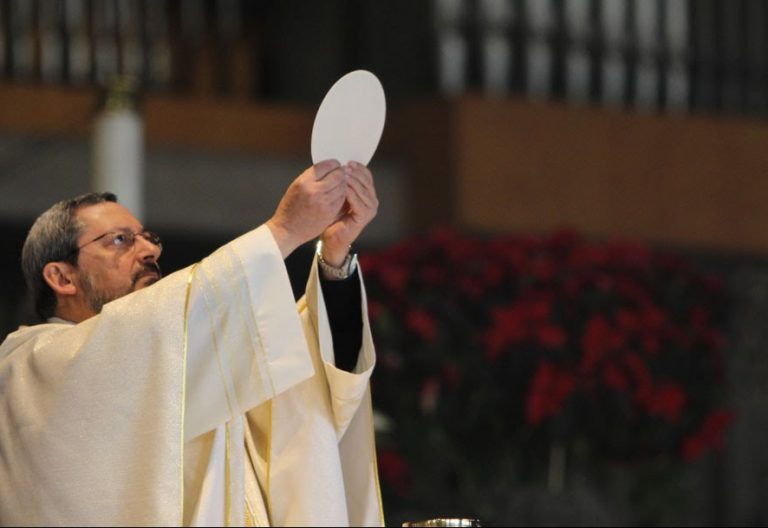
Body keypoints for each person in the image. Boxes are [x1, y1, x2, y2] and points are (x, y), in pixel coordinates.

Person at [0, 159, 384, 527]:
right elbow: (144, 331)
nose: (150, 250)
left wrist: (334, 261)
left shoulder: (185, 359)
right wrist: (284, 231)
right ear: (62, 278)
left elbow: (299, 395)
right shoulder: (32, 369)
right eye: (120, 240)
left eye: (148, 238)